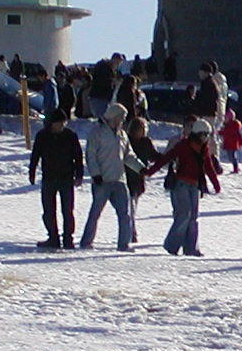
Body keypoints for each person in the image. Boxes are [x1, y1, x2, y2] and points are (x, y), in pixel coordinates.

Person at [145, 116, 224, 257]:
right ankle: (171, 245)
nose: (206, 138)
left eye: (208, 135)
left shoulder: (204, 149)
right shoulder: (183, 146)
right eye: (204, 135)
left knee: (194, 217)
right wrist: (150, 172)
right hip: (181, 184)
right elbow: (166, 158)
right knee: (183, 215)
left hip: (194, 186)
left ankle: (191, 249)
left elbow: (208, 167)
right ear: (197, 134)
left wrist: (216, 184)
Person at [79, 102, 134, 252]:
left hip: (119, 179)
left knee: (125, 214)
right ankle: (86, 242)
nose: (122, 120)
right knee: (95, 212)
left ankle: (124, 244)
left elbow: (128, 155)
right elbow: (91, 155)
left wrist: (140, 168)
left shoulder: (122, 135)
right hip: (102, 181)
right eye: (121, 117)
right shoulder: (97, 133)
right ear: (113, 116)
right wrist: (95, 174)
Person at [29, 109, 83, 249]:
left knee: (67, 210)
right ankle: (53, 237)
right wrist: (32, 172)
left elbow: (78, 156)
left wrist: (79, 175)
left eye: (63, 122)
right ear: (52, 123)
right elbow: (35, 155)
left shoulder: (70, 135)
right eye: (58, 122)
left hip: (66, 178)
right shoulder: (42, 136)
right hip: (49, 177)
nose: (61, 125)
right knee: (49, 210)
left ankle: (68, 239)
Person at [124, 113, 159, 242]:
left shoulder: (146, 142)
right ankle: (131, 232)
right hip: (126, 177)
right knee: (129, 208)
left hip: (138, 179)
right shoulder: (126, 141)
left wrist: (165, 159)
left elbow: (153, 155)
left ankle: (131, 231)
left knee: (133, 206)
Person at [219, 108, 242, 174]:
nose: (225, 119)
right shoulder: (227, 125)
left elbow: (237, 135)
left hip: (233, 144)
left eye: (226, 118)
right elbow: (225, 132)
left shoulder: (233, 126)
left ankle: (236, 168)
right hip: (228, 144)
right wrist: (219, 132)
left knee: (232, 157)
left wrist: (241, 142)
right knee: (230, 157)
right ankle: (235, 167)